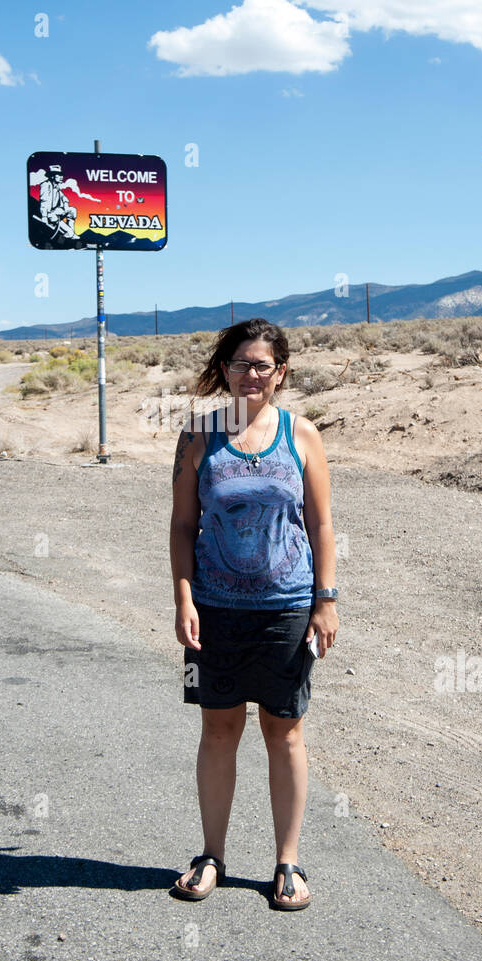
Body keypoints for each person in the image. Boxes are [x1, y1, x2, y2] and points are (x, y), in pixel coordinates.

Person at [169, 318, 339, 910]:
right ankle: (211, 854)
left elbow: (319, 523)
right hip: (213, 609)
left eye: (262, 365)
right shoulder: (198, 435)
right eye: (239, 363)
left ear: (281, 372)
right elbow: (184, 525)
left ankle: (287, 863)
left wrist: (325, 599)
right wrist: (183, 598)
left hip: (286, 608)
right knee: (218, 729)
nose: (250, 375)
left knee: (284, 731)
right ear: (223, 369)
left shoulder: (302, 434)